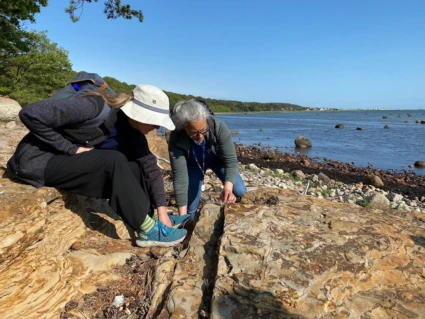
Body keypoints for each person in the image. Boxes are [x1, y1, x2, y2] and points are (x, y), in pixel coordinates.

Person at [7, 84, 189, 247]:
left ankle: (156, 220)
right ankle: (149, 231)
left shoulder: (134, 134)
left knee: (135, 165)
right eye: (155, 121)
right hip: (38, 161)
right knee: (114, 160)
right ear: (139, 114)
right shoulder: (94, 107)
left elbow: (150, 169)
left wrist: (162, 210)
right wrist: (70, 148)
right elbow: (30, 113)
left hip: (67, 164)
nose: (157, 127)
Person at [168, 99, 246, 219]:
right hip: (193, 164)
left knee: (239, 190)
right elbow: (180, 177)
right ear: (184, 127)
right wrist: (181, 217)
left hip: (217, 160)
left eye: (203, 130)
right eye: (193, 133)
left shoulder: (218, 126)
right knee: (189, 209)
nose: (199, 136)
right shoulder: (176, 137)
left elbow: (231, 161)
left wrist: (228, 188)